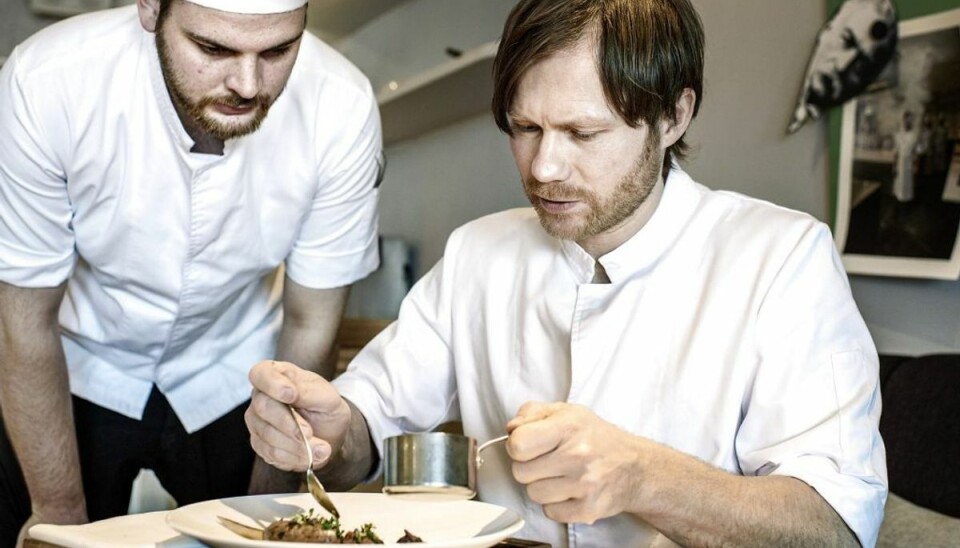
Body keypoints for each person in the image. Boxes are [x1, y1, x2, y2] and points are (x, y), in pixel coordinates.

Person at [245, 0, 887, 546]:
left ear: (673, 116)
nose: (545, 167)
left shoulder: (782, 258)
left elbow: (832, 524)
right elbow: (365, 432)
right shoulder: (478, 253)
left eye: (583, 133)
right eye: (526, 128)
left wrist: (643, 476)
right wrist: (331, 431)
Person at [0, 0, 382, 544]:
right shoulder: (45, 82)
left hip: (235, 367)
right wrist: (58, 520)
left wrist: (270, 518)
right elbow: (25, 319)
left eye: (278, 50)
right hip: (80, 358)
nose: (249, 85)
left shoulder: (341, 103)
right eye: (213, 48)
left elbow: (309, 326)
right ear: (152, 8)